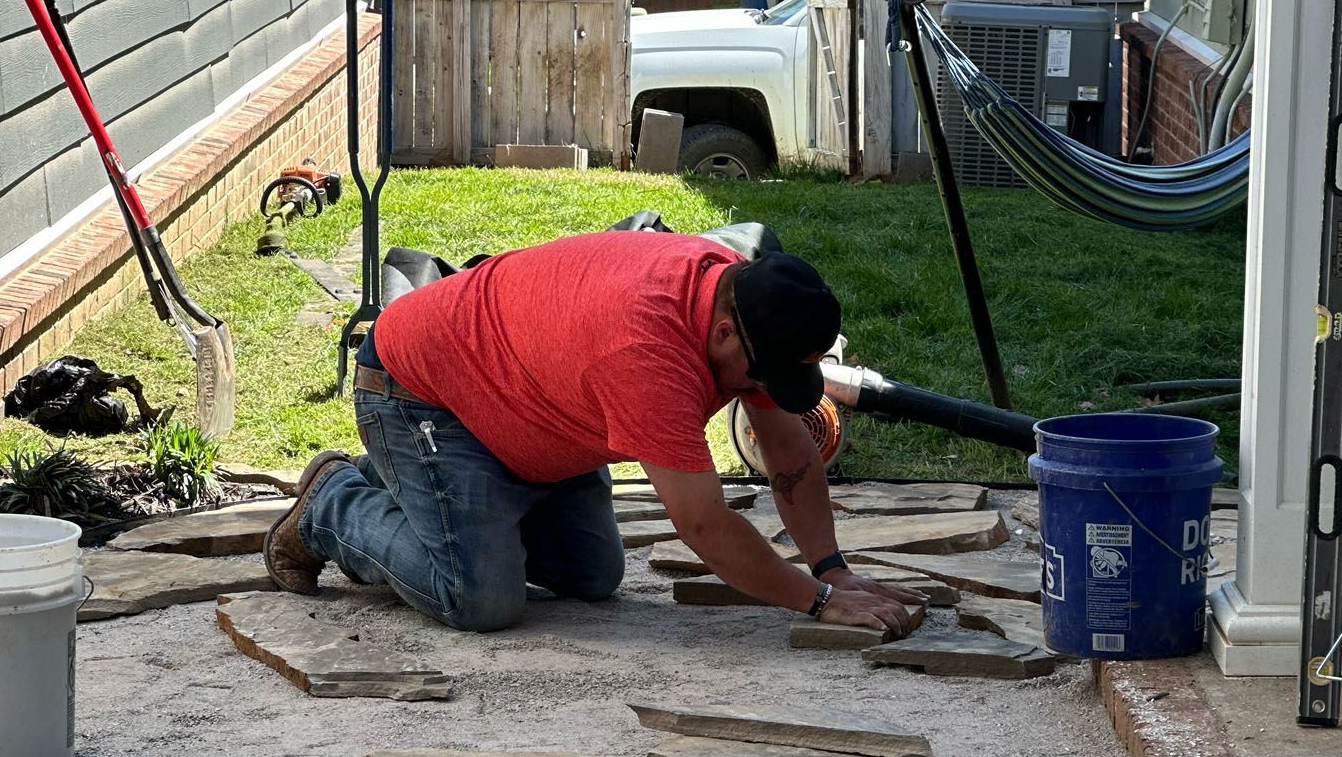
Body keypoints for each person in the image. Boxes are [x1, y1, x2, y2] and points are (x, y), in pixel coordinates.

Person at [261, 230, 924, 638]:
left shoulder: (742, 296)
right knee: (479, 597)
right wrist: (817, 603)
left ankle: (424, 492)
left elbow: (789, 454)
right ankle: (332, 501)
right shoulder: (648, 355)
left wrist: (832, 568)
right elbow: (704, 525)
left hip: (530, 405)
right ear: (725, 334)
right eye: (761, 375)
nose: (760, 391)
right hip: (423, 394)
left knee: (592, 574)